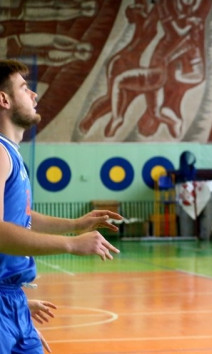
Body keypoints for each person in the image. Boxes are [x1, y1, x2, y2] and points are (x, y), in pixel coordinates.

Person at [0, 59, 122, 354]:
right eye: (24, 88)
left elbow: (21, 217)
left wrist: (75, 225)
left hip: (13, 303)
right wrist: (71, 244)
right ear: (4, 99)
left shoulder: (11, 154)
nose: (34, 95)